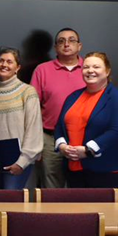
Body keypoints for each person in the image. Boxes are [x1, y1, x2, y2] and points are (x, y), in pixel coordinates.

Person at [54, 52, 118, 189]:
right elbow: (59, 126)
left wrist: (88, 150)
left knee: (103, 211)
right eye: (86, 67)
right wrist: (62, 146)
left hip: (105, 170)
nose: (90, 70)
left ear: (107, 71)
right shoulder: (73, 96)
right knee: (77, 210)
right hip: (73, 168)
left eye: (96, 67)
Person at [30, 27, 85, 188]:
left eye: (71, 40)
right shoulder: (42, 70)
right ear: (55, 48)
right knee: (51, 187)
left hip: (83, 139)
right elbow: (33, 109)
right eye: (61, 41)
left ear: (79, 46)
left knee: (82, 188)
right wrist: (36, 142)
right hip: (50, 138)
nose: (66, 44)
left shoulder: (90, 69)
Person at [0, 48, 43, 190]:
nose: (4, 65)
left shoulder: (27, 92)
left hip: (17, 163)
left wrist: (22, 162)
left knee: (11, 207)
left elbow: (33, 129)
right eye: (1, 61)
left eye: (9, 62)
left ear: (17, 68)